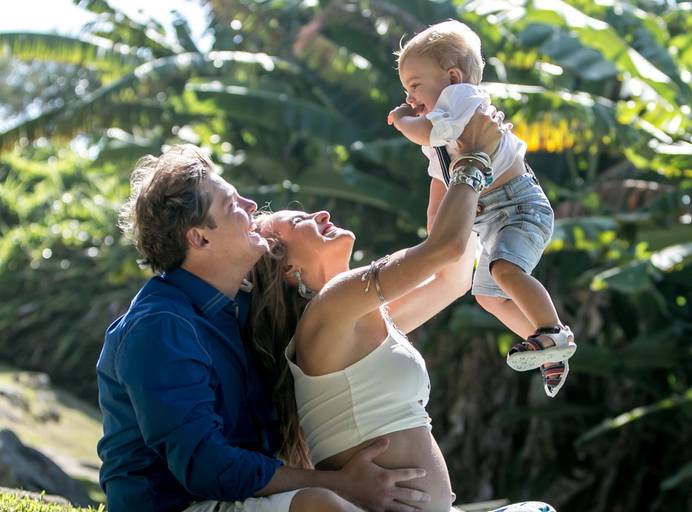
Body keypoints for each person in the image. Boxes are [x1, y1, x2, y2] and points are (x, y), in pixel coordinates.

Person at [96, 145, 432, 512]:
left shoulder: (242, 311)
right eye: (232, 205)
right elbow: (205, 466)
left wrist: (440, 152)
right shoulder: (160, 327)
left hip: (235, 498)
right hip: (177, 506)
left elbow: (440, 280)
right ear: (200, 238)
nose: (252, 205)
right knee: (320, 504)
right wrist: (338, 482)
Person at [250, 112, 556, 511]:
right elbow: (444, 249)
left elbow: (452, 276)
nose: (320, 214)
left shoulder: (355, 320)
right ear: (288, 269)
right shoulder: (331, 307)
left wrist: (442, 152)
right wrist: (475, 158)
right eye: (299, 222)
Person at [386, 20, 576, 398]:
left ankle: (552, 331)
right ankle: (548, 350)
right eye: (406, 89)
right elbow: (440, 182)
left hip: (520, 207)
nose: (409, 97)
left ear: (453, 77)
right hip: (491, 219)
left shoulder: (462, 98)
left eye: (415, 86)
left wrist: (402, 119)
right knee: (489, 296)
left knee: (505, 271)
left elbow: (427, 132)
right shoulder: (444, 136)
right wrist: (435, 233)